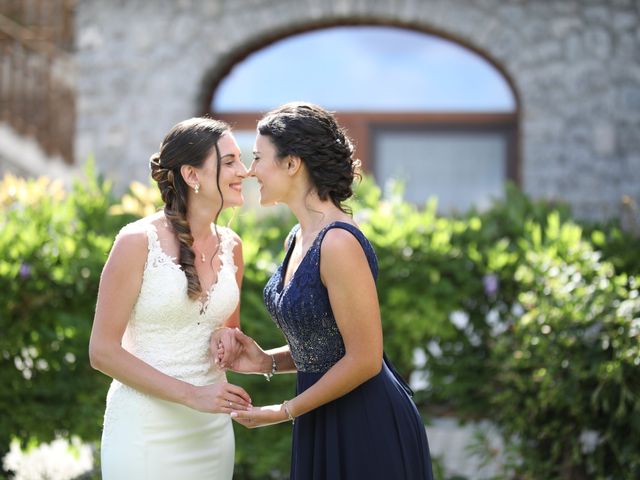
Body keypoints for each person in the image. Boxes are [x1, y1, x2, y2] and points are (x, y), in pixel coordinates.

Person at [216, 102, 434, 479]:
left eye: (257, 158)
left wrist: (283, 411)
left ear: (292, 163)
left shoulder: (338, 242)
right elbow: (327, 346)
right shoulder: (297, 238)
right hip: (322, 413)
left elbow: (365, 358)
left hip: (366, 422)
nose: (251, 172)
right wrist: (266, 360)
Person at [89, 117, 252, 479]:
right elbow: (102, 352)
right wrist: (192, 395)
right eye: (229, 162)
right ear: (192, 175)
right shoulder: (136, 242)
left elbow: (229, 330)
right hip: (145, 433)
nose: (244, 171)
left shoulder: (233, 247)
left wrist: (227, 339)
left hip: (211, 434)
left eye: (241, 159)